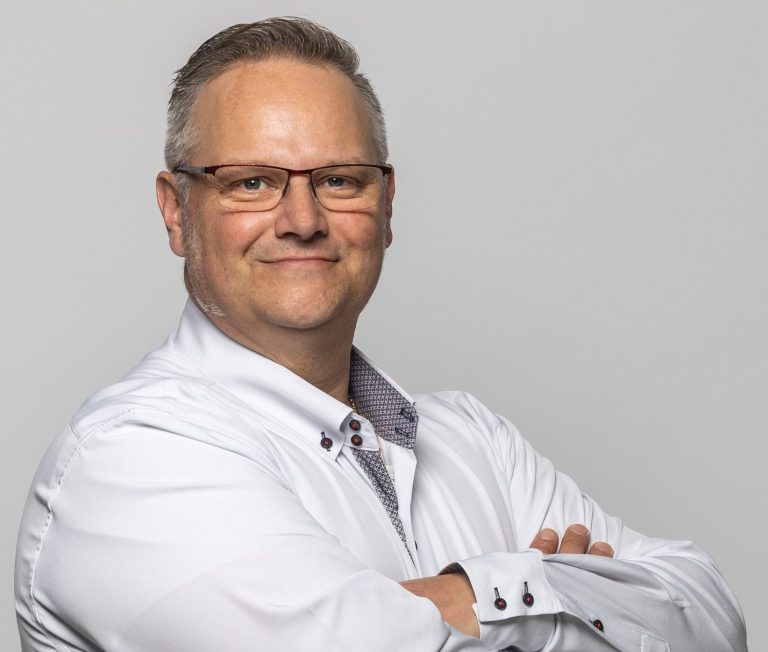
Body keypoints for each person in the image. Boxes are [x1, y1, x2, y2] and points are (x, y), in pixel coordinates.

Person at [15, 16, 746, 652]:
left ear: (387, 205)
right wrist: (559, 589)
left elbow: (713, 616)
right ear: (177, 212)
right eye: (251, 182)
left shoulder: (474, 439)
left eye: (339, 180)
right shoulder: (128, 458)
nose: (302, 220)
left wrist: (467, 596)